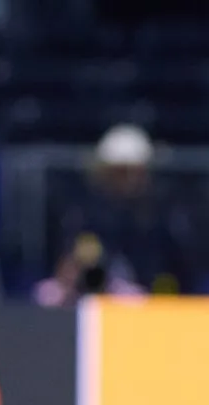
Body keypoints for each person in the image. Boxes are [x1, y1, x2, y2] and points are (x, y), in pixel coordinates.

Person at [35, 123, 194, 306]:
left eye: (131, 172)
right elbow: (66, 268)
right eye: (118, 172)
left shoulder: (163, 219)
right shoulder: (82, 215)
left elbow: (178, 277)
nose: (126, 180)